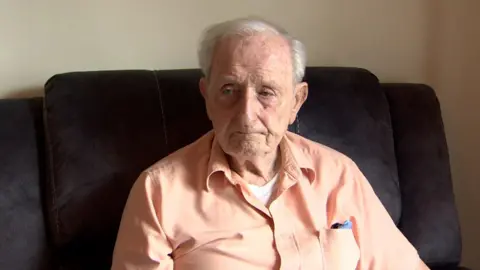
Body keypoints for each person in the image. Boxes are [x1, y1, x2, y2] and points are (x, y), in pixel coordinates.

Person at [111, 17, 430, 270]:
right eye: (228, 90)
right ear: (206, 97)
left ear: (296, 101)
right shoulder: (158, 193)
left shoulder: (338, 176)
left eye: (266, 92)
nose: (247, 115)